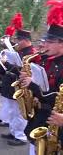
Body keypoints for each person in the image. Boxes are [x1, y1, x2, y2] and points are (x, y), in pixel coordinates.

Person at [20, 24, 63, 155]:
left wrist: (33, 85)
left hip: (55, 125)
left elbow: (55, 96)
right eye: (45, 41)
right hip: (42, 120)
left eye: (50, 42)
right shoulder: (48, 61)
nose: (45, 45)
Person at [0, 29, 38, 146]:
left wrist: (9, 65)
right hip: (13, 85)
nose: (16, 42)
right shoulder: (19, 52)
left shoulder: (31, 53)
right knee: (13, 112)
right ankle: (14, 132)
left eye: (18, 40)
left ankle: (21, 136)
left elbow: (26, 71)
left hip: (23, 86)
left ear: (25, 40)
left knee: (19, 113)